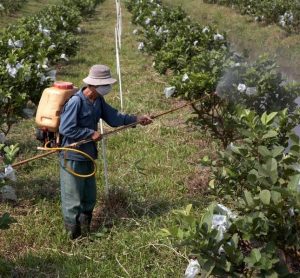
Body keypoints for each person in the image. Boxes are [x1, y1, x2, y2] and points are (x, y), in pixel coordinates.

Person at [59, 64, 152, 239]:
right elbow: (66, 128)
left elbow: (114, 117)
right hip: (72, 156)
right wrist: (89, 133)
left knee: (89, 195)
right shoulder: (76, 102)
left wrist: (136, 119)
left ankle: (86, 231)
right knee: (73, 198)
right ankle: (72, 236)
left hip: (88, 154)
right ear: (93, 85)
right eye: (104, 84)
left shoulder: (98, 101)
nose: (107, 88)